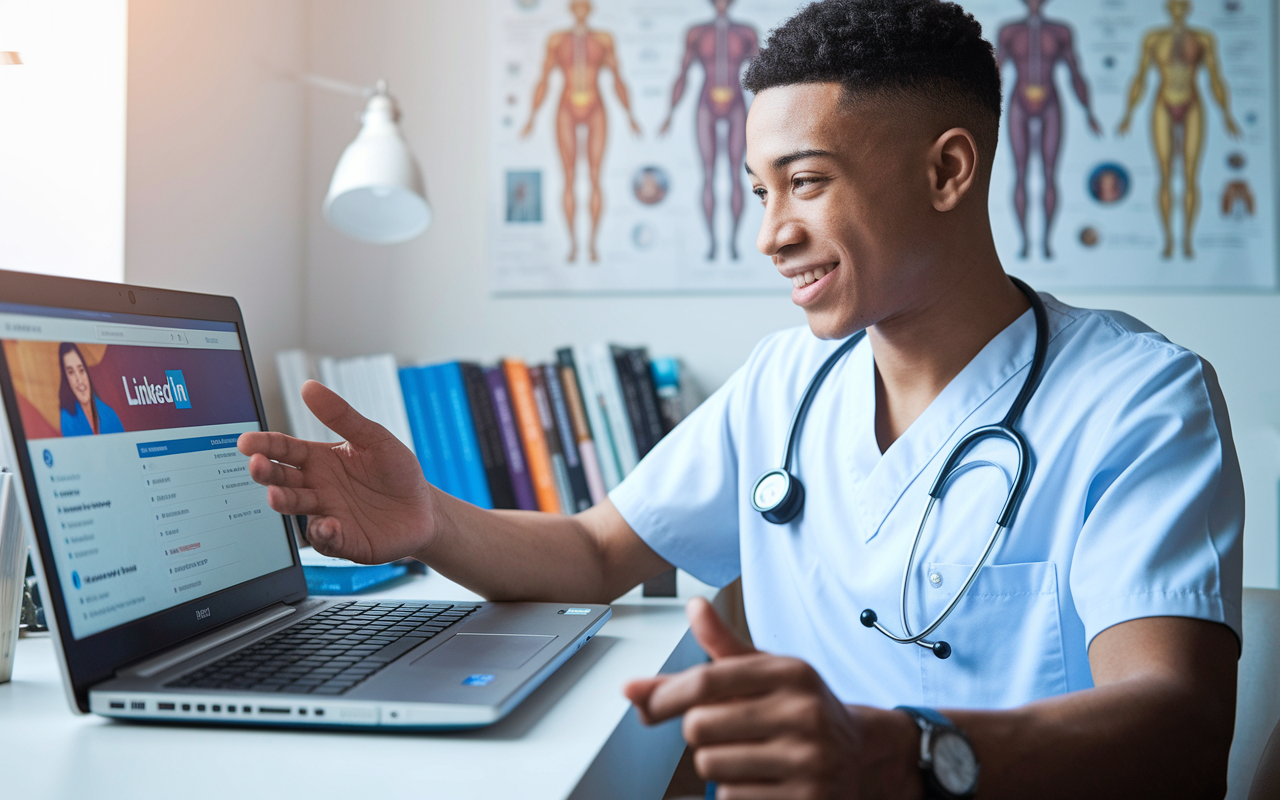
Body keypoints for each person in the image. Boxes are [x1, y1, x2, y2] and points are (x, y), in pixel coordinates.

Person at [241, 2, 1242, 797]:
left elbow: (1176, 727)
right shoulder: (783, 381)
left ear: (946, 170)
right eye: (759, 192)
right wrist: (428, 522)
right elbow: (595, 552)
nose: (769, 234)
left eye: (803, 182)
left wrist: (895, 756)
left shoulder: (1136, 401)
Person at [1118, 0, 1240, 259]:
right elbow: (1139, 77)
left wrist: (1227, 114)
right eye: (1174, 4)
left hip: (1193, 102)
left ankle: (1187, 241)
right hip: (1163, 102)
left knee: (1190, 176)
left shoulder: (1203, 38)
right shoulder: (1154, 38)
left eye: (1183, 4)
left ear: (1188, 8)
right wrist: (1128, 113)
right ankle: (1169, 241)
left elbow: (1216, 78)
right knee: (1163, 175)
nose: (1178, 8)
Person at [521, 0, 642, 264]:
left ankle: (593, 245)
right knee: (569, 177)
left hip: (596, 106)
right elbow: (543, 79)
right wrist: (531, 116)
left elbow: (618, 78)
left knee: (596, 177)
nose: (580, 8)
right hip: (565, 106)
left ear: (589, 8)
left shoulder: (603, 39)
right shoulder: (557, 40)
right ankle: (574, 246)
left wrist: (629, 114)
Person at [996, 0, 1101, 260]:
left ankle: (1046, 243)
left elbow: (1075, 73)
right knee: (1020, 174)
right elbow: (995, 73)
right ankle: (1024, 244)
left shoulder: (1060, 31)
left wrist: (1089, 111)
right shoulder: (1009, 30)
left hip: (1051, 101)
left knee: (1050, 175)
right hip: (1019, 101)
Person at [658, 0, 759, 261]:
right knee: (708, 175)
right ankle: (713, 244)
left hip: (736, 104)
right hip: (706, 104)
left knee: (739, 175)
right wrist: (669, 112)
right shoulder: (697, 32)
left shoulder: (745, 32)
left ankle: (734, 244)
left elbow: (762, 76)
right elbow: (682, 74)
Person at [58, 342, 124, 436]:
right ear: (66, 378)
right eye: (71, 372)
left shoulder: (109, 415)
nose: (79, 379)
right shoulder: (67, 419)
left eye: (81, 370)